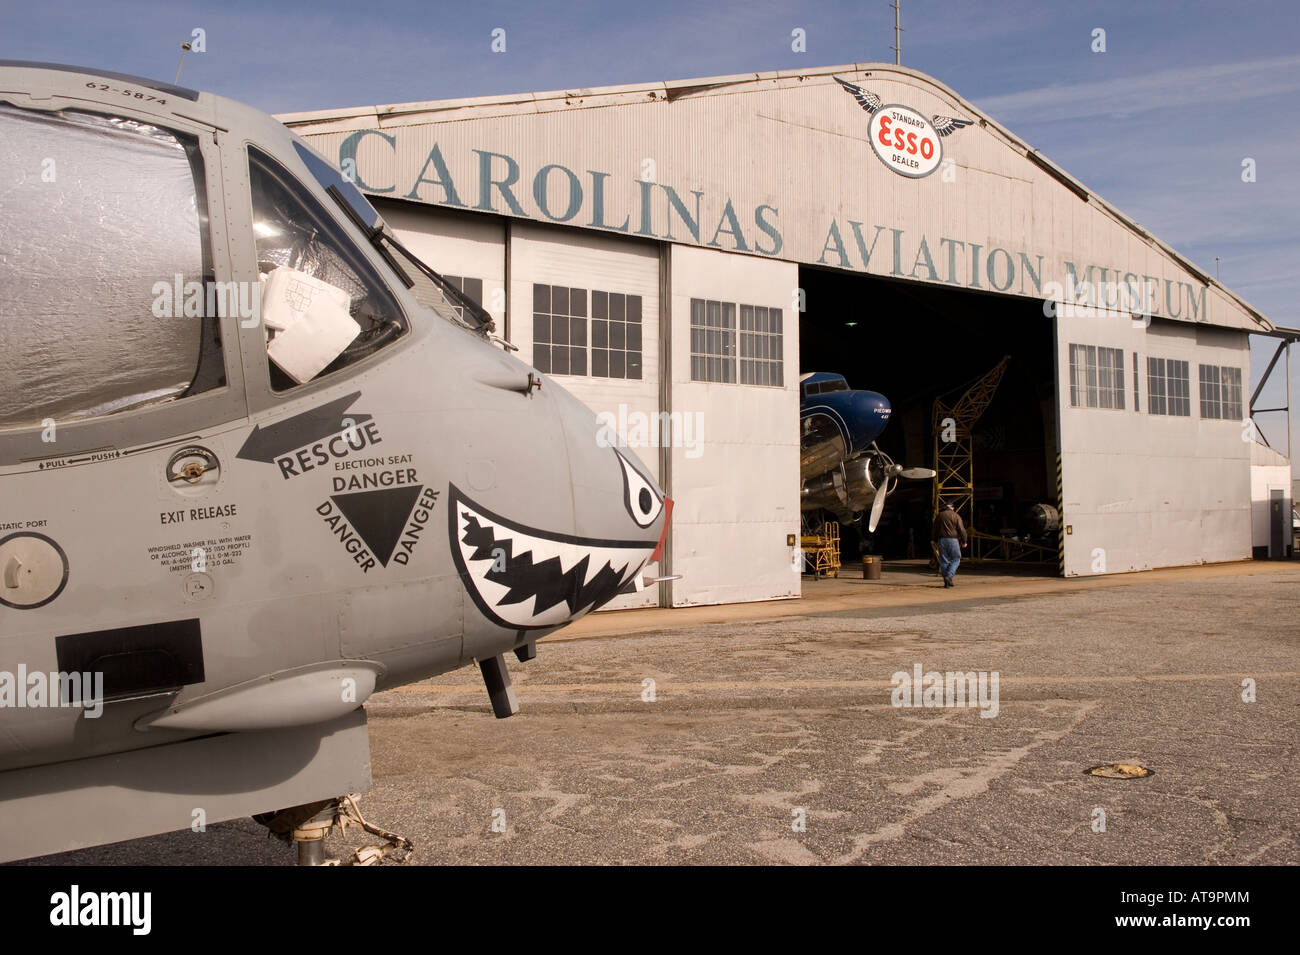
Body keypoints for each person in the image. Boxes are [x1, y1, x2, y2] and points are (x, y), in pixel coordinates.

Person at [932, 502, 967, 588]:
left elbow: (935, 529)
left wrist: (934, 540)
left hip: (941, 540)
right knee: (956, 558)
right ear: (952, 508)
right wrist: (964, 541)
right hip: (953, 540)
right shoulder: (956, 516)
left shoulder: (939, 515)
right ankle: (949, 576)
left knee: (943, 560)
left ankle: (946, 581)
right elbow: (961, 529)